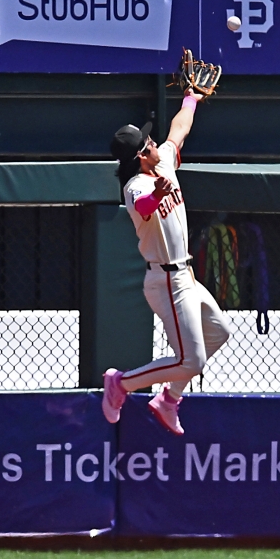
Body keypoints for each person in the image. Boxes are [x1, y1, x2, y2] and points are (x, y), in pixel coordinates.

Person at [102, 90, 231, 435]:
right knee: (191, 360)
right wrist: (157, 194)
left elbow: (180, 130)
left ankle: (168, 399)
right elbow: (143, 205)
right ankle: (121, 384)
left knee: (219, 332)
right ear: (142, 155)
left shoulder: (164, 163)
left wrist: (191, 99)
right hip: (166, 282)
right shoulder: (135, 185)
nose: (156, 142)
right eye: (149, 141)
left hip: (185, 275)